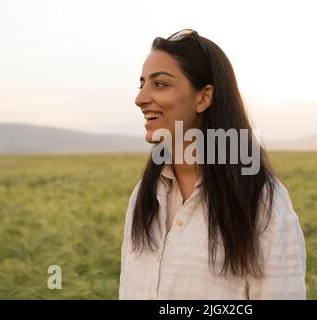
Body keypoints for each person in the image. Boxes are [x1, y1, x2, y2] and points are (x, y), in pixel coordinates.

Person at [119, 29, 306, 299]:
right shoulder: (144, 196)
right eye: (142, 84)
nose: (140, 99)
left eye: (160, 84)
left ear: (203, 97)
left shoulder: (262, 202)